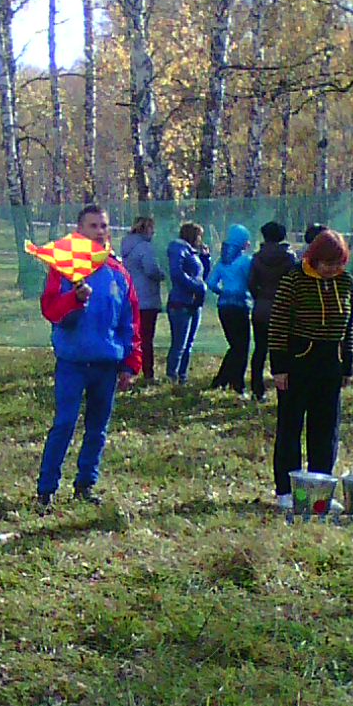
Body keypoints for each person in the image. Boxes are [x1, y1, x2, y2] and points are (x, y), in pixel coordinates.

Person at [37, 203, 141, 507]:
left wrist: (130, 364)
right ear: (79, 230)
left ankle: (85, 485)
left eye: (103, 226)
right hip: (73, 363)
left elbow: (130, 321)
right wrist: (74, 300)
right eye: (92, 226)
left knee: (97, 429)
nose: (99, 231)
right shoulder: (64, 268)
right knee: (65, 423)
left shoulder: (118, 272)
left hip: (106, 364)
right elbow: (51, 310)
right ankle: (46, 489)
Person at [268, 227, 353, 509]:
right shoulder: (294, 279)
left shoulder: (346, 282)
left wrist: (347, 365)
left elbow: (348, 328)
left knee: (326, 430)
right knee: (290, 428)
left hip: (330, 365)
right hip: (297, 363)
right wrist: (279, 367)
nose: (332, 269)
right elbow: (278, 324)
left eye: (338, 263)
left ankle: (321, 490)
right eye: (327, 263)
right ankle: (286, 491)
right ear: (314, 258)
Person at [247, 220, 297, 400]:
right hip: (283, 310)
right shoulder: (289, 257)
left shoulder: (257, 257)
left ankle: (256, 389)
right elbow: (295, 282)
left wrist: (260, 298)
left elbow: (251, 283)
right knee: (285, 350)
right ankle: (285, 388)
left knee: (260, 349)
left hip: (261, 309)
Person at [207, 224, 253, 395]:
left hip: (223, 306)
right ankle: (236, 383)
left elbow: (211, 283)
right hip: (240, 306)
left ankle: (222, 380)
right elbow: (251, 281)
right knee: (242, 346)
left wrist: (223, 292)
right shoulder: (245, 261)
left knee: (234, 345)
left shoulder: (222, 261)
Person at [120, 215, 163, 383]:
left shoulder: (126, 246)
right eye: (152, 228)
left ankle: (127, 370)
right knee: (146, 338)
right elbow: (151, 269)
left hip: (131, 296)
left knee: (131, 335)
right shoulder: (145, 247)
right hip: (147, 299)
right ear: (146, 229)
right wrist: (161, 275)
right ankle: (148, 373)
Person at [166, 222, 206, 384]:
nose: (200, 240)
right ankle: (172, 375)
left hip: (193, 303)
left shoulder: (192, 253)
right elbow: (177, 274)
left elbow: (201, 275)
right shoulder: (179, 249)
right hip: (181, 302)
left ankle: (182, 376)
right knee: (179, 343)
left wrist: (205, 258)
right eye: (199, 236)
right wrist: (196, 287)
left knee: (188, 343)